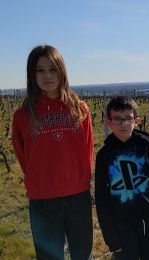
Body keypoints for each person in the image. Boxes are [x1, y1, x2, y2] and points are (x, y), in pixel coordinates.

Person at [12, 44, 94, 260]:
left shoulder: (80, 109)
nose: (47, 76)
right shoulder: (22, 116)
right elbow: (23, 156)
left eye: (52, 69)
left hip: (78, 196)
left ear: (61, 71)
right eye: (40, 70)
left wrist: (82, 180)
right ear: (32, 74)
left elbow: (87, 148)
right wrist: (39, 182)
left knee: (82, 254)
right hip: (43, 200)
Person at [95, 96, 149, 260]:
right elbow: (101, 198)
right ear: (109, 122)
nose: (123, 124)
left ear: (136, 121)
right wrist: (111, 238)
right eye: (118, 120)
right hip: (122, 224)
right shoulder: (104, 155)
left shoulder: (144, 148)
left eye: (128, 119)